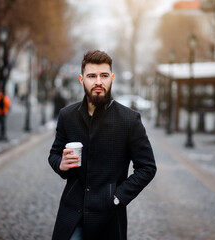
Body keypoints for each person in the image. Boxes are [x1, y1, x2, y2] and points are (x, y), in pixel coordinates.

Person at [48, 50, 157, 240]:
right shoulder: (67, 116)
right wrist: (60, 164)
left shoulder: (129, 120)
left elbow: (147, 167)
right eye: (92, 76)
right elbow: (54, 154)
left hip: (109, 217)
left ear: (112, 78)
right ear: (82, 79)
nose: (98, 81)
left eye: (104, 76)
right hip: (72, 213)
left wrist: (118, 196)